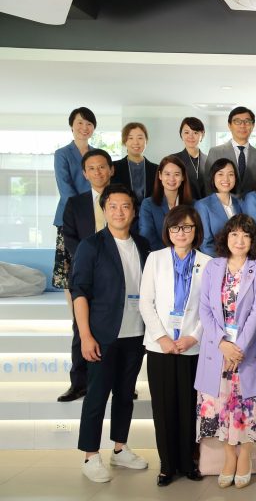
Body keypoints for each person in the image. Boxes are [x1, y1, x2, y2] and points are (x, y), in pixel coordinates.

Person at [69, 184, 151, 483]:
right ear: (104, 210)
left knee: (125, 395)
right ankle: (90, 456)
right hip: (102, 335)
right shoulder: (92, 245)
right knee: (97, 396)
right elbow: (79, 292)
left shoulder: (143, 245)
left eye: (125, 206)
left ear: (134, 211)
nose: (119, 212)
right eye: (113, 206)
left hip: (136, 333)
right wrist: (85, 336)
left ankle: (120, 448)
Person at [139, 205, 212, 486]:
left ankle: (188, 462)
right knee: (164, 408)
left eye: (187, 227)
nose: (181, 233)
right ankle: (167, 465)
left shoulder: (208, 263)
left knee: (189, 407)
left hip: (192, 347)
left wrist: (194, 336)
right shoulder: (155, 259)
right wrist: (162, 337)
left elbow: (210, 308)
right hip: (161, 347)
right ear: (168, 231)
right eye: (175, 228)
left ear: (196, 230)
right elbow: (146, 303)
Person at [195, 214, 256, 490]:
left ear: (253, 240)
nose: (239, 240)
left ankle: (245, 456)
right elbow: (204, 308)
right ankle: (228, 457)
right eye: (234, 234)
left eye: (246, 235)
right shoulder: (213, 266)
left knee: (248, 405)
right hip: (217, 350)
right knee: (221, 405)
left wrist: (238, 349)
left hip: (247, 351)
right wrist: (222, 343)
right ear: (226, 238)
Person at [58, 148, 113, 403]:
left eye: (102, 167)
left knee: (118, 329)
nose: (97, 172)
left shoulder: (124, 199)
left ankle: (119, 383)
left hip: (117, 274)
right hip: (85, 273)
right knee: (81, 327)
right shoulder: (75, 203)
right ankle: (78, 383)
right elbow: (69, 238)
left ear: (111, 170)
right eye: (91, 168)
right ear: (84, 173)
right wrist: (92, 260)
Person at [52, 107, 96, 297]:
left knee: (92, 267)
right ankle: (74, 314)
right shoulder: (62, 153)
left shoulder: (97, 154)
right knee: (69, 270)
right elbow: (66, 189)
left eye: (89, 124)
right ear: (72, 125)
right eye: (80, 123)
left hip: (96, 217)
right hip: (69, 217)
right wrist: (85, 210)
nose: (84, 127)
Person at [205, 106, 256, 197]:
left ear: (253, 126)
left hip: (252, 204)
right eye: (237, 121)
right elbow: (208, 185)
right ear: (229, 125)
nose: (242, 125)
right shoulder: (215, 152)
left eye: (247, 121)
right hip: (222, 204)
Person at [139, 155, 194, 251]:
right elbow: (147, 235)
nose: (172, 179)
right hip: (159, 255)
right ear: (160, 175)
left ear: (183, 177)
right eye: (167, 174)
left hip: (188, 255)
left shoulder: (194, 205)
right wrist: (172, 253)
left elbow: (197, 235)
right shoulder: (148, 204)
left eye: (176, 174)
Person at [195, 158, 242, 256]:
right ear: (213, 177)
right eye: (220, 174)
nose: (226, 179)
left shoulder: (240, 203)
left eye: (230, 174)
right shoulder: (203, 205)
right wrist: (227, 261)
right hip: (216, 261)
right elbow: (205, 245)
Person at [112, 122, 158, 203]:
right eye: (130, 138)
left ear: (146, 141)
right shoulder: (114, 167)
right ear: (124, 141)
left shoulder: (156, 169)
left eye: (140, 138)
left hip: (150, 210)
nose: (136, 142)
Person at [174, 117, 207, 200]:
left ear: (202, 135)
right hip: (182, 205)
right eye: (186, 132)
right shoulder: (173, 160)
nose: (191, 136)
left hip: (206, 206)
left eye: (195, 132)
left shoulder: (209, 160)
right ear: (181, 134)